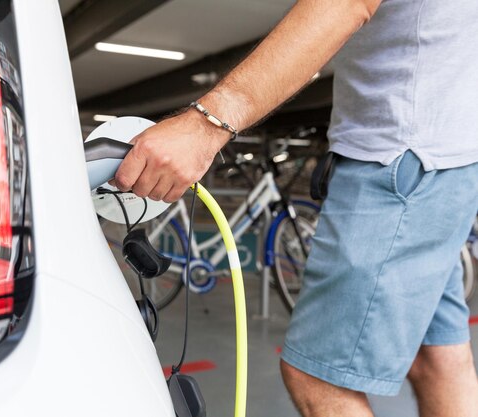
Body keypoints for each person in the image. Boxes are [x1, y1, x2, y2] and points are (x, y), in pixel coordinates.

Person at [114, 0, 478, 416]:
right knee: (436, 354)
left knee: (317, 378)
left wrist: (205, 124)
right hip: (445, 160)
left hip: (397, 160)